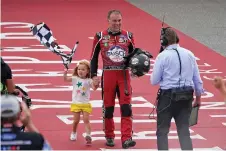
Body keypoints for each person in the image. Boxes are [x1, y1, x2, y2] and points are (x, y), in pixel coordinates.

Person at [151, 27, 204, 150]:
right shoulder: (190, 54)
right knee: (184, 131)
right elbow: (197, 79)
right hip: (187, 96)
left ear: (163, 42)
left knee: (162, 131)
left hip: (167, 97)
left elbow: (154, 81)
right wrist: (198, 98)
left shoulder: (162, 56)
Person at [90, 9, 136, 149]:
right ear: (108, 20)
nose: (117, 23)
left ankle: (126, 138)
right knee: (108, 108)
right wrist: (94, 76)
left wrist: (136, 69)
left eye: (119, 21)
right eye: (114, 21)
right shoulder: (100, 36)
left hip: (124, 75)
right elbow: (93, 58)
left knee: (126, 108)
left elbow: (135, 56)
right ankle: (109, 135)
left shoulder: (128, 36)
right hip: (108, 75)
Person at [64, 59, 99, 145]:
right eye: (79, 69)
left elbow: (94, 88)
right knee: (76, 121)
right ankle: (74, 132)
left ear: (87, 71)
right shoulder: (75, 79)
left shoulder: (88, 80)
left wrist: (97, 84)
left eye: (83, 69)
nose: (81, 71)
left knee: (86, 120)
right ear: (77, 70)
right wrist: (65, 73)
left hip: (85, 104)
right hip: (76, 104)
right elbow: (65, 79)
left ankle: (88, 135)